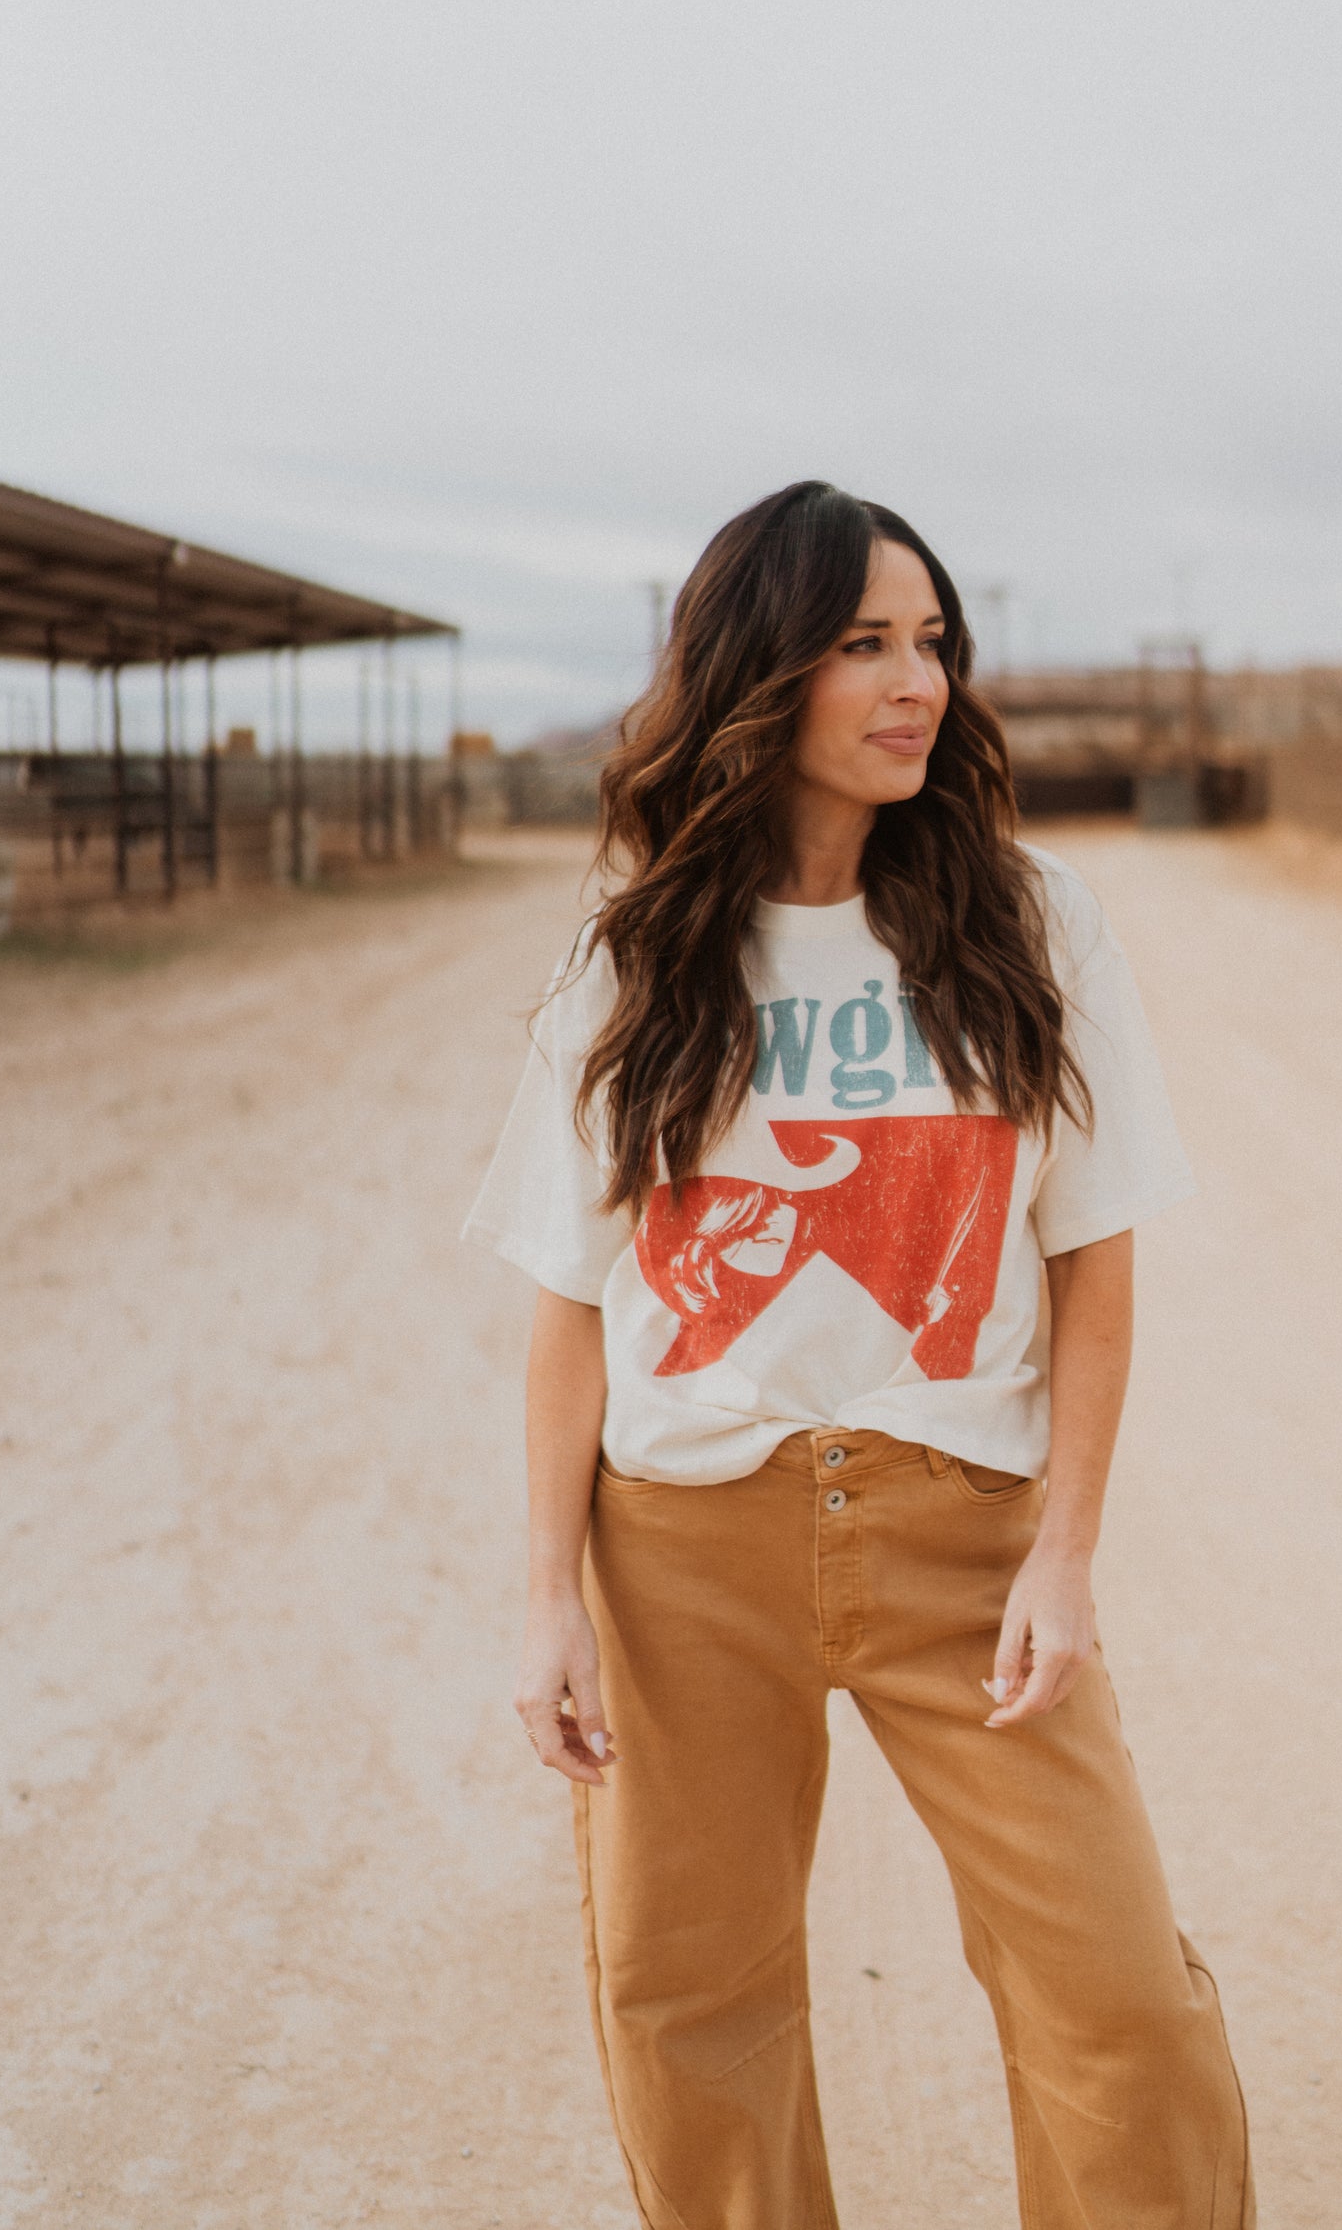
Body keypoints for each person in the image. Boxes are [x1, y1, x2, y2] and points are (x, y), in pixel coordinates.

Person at [466, 481, 1254, 2228]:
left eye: (933, 643)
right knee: (693, 2005)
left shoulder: (1031, 926)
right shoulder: (638, 956)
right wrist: (548, 1598)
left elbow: (1095, 1263)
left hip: (965, 1532)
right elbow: (575, 1302)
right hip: (683, 1552)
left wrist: (1067, 1546)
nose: (919, 684)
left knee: (1116, 2000)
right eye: (864, 644)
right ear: (761, 674)